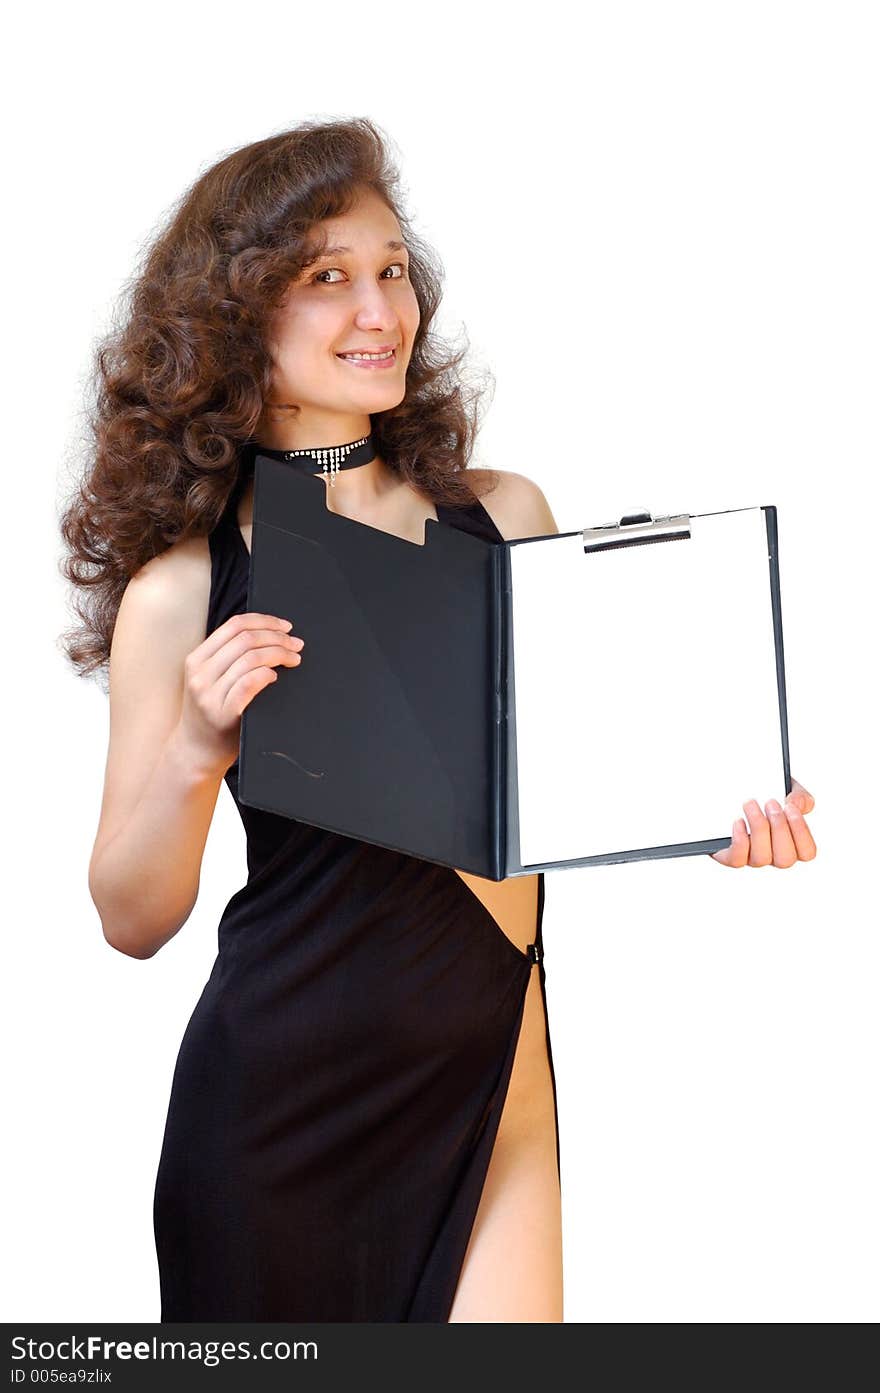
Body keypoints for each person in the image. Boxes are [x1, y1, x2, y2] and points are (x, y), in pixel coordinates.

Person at [60, 118, 817, 1324]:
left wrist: (714, 815)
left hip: (494, 1083)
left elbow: (590, 781)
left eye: (393, 270)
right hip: (274, 1120)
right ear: (237, 309)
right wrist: (197, 751)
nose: (381, 312)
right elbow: (131, 918)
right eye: (327, 278)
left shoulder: (503, 518)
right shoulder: (185, 588)